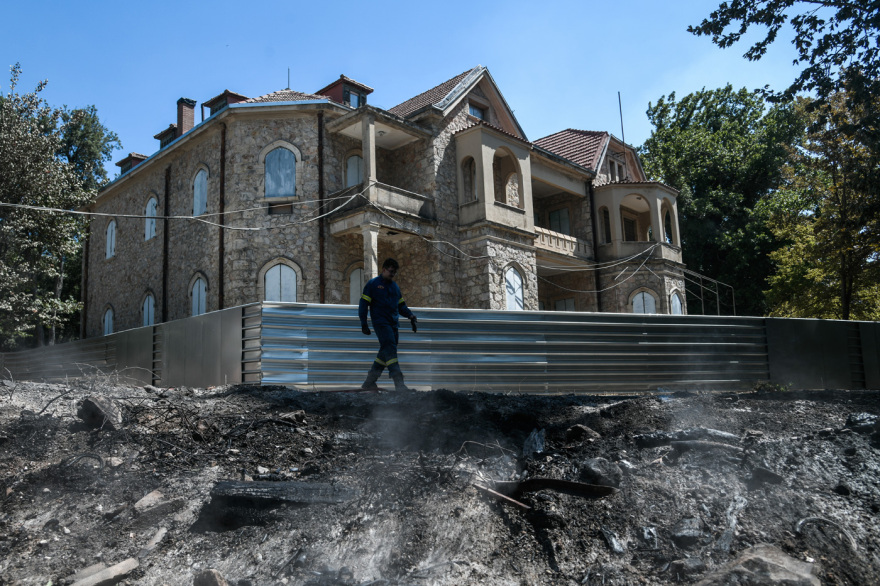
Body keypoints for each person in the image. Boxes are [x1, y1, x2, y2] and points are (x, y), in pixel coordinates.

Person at [358, 258, 418, 391]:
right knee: (390, 349)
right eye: (391, 271)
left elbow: (401, 306)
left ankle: (369, 382)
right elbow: (363, 304)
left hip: (393, 324)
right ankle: (399, 384)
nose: (392, 274)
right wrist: (364, 323)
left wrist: (410, 315)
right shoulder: (373, 284)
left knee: (385, 353)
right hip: (381, 323)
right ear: (383, 269)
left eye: (394, 272)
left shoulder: (395, 287)